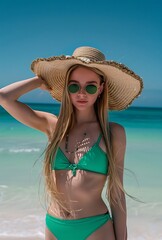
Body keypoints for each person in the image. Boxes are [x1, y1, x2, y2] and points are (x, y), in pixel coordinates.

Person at [0, 46, 143, 240]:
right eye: (74, 85)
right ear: (67, 87)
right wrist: (40, 81)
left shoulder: (113, 133)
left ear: (101, 88)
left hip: (94, 228)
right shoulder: (53, 126)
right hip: (54, 225)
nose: (81, 93)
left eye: (90, 86)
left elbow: (116, 194)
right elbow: (4, 97)